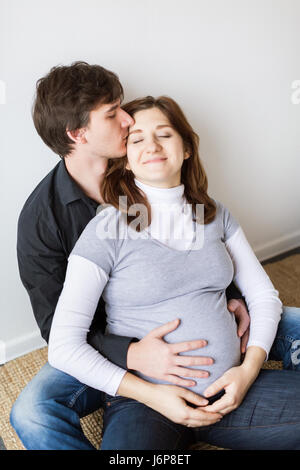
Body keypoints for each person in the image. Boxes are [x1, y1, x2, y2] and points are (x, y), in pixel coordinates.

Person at [10, 62, 300, 451]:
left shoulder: (180, 190)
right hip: (116, 353)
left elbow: (195, 244)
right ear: (78, 134)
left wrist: (231, 308)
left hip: (220, 370)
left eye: (162, 135)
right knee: (32, 410)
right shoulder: (47, 221)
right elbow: (60, 335)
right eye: (113, 114)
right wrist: (134, 358)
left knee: (290, 319)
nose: (129, 121)